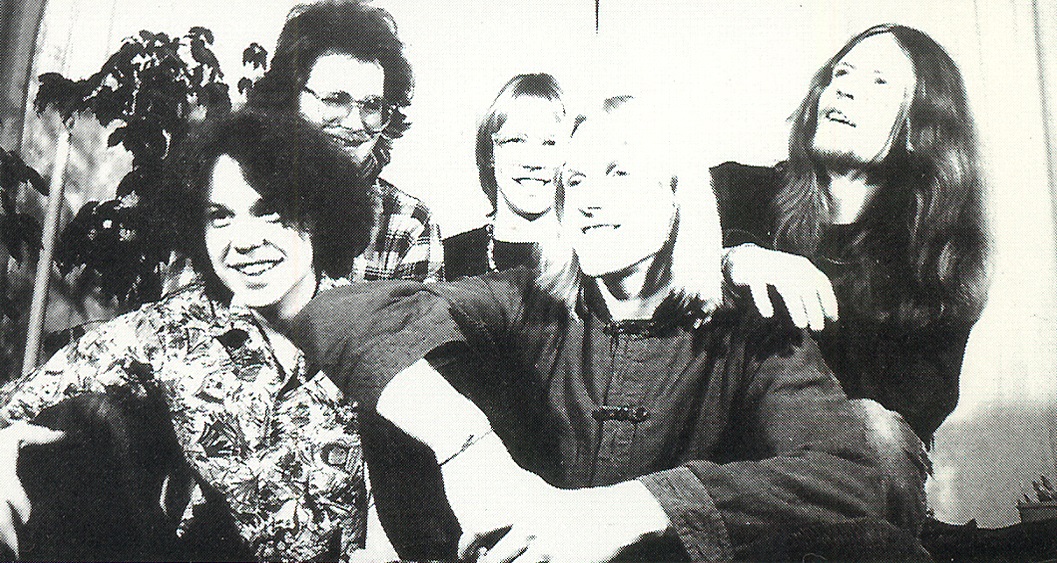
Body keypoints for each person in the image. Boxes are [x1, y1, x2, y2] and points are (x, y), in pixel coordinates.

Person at [287, 95, 928, 561]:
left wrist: (627, 512)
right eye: (575, 181)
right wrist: (468, 448)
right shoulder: (530, 299)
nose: (588, 200)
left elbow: (851, 476)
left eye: (618, 173)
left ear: (676, 195)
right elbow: (337, 313)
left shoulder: (749, 325)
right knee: (404, 379)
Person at [0, 109, 379, 561]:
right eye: (220, 216)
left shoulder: (377, 330)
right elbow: (17, 402)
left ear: (320, 215)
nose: (244, 241)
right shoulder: (174, 330)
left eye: (270, 212)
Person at [713, 23, 989, 445]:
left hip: (830, 462)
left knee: (879, 432)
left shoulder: (936, 263)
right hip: (715, 459)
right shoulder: (736, 190)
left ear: (919, 127)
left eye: (879, 82)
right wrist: (734, 258)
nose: (844, 90)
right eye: (841, 74)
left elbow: (900, 425)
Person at [248, 0, 443, 282]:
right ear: (288, 99)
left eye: (372, 106)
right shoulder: (233, 202)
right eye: (335, 100)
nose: (354, 123)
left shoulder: (407, 224)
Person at [444, 73, 566, 278]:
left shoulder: (590, 258)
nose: (533, 162)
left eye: (549, 143)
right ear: (490, 152)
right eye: (516, 140)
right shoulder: (448, 257)